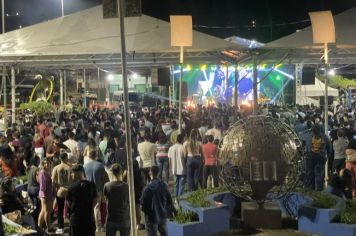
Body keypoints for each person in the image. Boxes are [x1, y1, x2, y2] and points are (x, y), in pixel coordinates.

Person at [141, 166, 174, 236]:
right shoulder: (164, 185)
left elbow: (142, 205)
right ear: (158, 173)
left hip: (151, 218)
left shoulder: (147, 189)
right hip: (162, 215)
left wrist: (148, 213)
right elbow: (169, 201)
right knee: (164, 233)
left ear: (150, 173)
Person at [67, 165, 97, 236]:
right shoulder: (92, 185)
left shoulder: (71, 187)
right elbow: (95, 200)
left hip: (75, 220)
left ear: (79, 173)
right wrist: (88, 208)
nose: (71, 174)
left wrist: (75, 208)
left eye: (72, 173)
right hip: (88, 219)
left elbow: (68, 202)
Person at [84, 150, 108, 232]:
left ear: (89, 156)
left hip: (88, 189)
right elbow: (105, 178)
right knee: (97, 208)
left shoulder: (85, 166)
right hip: (98, 189)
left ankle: (91, 224)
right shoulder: (100, 165)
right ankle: (98, 226)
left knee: (90, 208)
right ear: (96, 156)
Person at [103, 164, 130, 236]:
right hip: (124, 217)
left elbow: (105, 199)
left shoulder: (107, 185)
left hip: (111, 217)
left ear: (112, 172)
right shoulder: (126, 186)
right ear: (121, 171)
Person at [301, 124, 330, 191]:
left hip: (310, 157)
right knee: (319, 175)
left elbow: (301, 136)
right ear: (320, 130)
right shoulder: (325, 137)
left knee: (309, 174)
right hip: (321, 157)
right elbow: (329, 148)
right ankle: (318, 191)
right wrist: (327, 156)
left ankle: (309, 191)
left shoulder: (307, 136)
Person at [51, 152, 72, 234]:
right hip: (69, 190)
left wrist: (56, 188)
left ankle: (60, 227)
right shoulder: (70, 168)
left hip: (60, 190)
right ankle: (71, 226)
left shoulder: (56, 168)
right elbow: (73, 180)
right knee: (71, 209)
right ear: (66, 158)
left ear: (60, 158)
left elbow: (53, 181)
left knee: (60, 209)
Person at [37, 159, 54, 233]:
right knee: (46, 212)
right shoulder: (43, 172)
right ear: (42, 164)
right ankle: (47, 228)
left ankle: (40, 227)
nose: (46, 164)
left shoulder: (46, 172)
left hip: (48, 194)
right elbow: (42, 186)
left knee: (45, 211)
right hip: (45, 194)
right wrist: (43, 196)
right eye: (45, 163)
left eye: (48, 163)